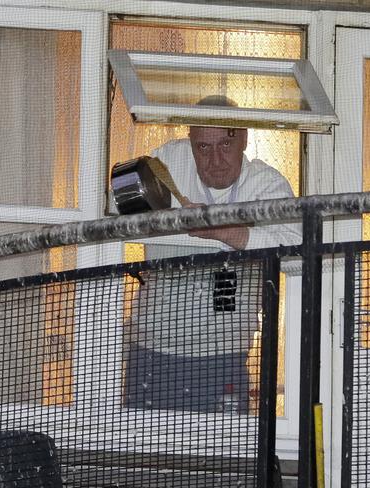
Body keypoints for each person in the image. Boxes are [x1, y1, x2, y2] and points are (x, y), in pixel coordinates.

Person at [124, 96, 301, 414]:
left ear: (244, 139)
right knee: (145, 458)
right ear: (189, 141)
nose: (215, 159)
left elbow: (296, 255)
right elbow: (121, 205)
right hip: (150, 352)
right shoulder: (168, 162)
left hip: (223, 356)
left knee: (224, 458)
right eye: (203, 148)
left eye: (225, 145)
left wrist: (221, 230)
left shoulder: (266, 185)